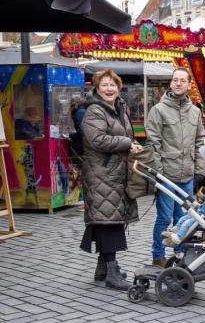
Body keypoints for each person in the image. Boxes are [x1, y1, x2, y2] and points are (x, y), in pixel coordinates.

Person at [79, 69, 141, 290]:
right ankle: (112, 273)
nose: (109, 89)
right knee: (109, 221)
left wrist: (132, 145)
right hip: (101, 174)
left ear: (118, 87)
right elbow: (97, 140)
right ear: (96, 88)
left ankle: (103, 268)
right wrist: (126, 143)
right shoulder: (95, 111)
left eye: (112, 85)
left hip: (115, 173)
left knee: (109, 218)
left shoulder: (118, 109)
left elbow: (123, 136)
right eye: (104, 85)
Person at [146, 67, 205, 267]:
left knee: (184, 218)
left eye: (182, 80)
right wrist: (158, 173)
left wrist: (199, 171)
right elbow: (154, 143)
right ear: (170, 84)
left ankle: (180, 255)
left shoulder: (195, 111)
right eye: (175, 80)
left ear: (189, 85)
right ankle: (158, 255)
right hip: (167, 174)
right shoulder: (158, 110)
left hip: (187, 174)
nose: (178, 83)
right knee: (164, 217)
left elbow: (199, 143)